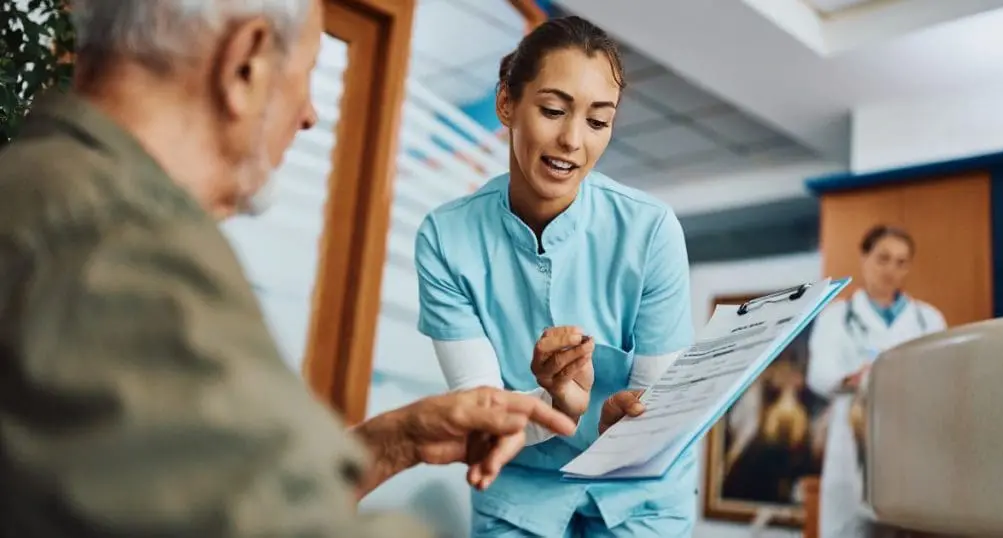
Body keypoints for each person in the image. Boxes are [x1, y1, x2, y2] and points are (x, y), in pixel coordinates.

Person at [0, 1, 629, 536]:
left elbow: (172, 485)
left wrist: (394, 443)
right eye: (305, 75)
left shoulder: (48, 194)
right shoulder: (111, 240)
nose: (308, 113)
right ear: (244, 63)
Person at [414, 16, 696, 538]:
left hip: (637, 489)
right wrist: (558, 404)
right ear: (506, 104)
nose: (572, 140)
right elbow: (482, 422)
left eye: (598, 121)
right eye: (552, 110)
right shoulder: (446, 238)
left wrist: (625, 422)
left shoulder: (650, 231)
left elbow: (658, 406)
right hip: (519, 491)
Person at [807, 224, 947, 538]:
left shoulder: (929, 319)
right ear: (864, 257)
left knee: (907, 524)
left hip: (910, 439)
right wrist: (853, 376)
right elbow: (818, 375)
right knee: (850, 527)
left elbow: (942, 380)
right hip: (851, 437)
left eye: (901, 262)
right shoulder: (836, 317)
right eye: (883, 258)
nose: (891, 270)